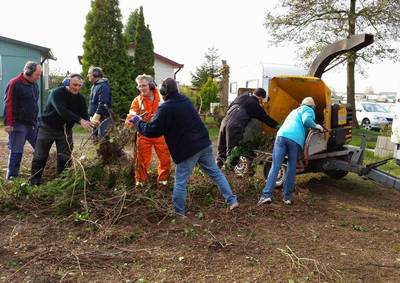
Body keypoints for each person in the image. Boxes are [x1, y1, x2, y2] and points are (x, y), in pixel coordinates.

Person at [129, 78, 238, 216]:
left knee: (180, 181)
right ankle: (232, 201)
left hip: (187, 150)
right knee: (215, 173)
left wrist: (138, 122)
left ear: (164, 92)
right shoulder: (185, 100)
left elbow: (152, 130)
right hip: (204, 144)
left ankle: (179, 212)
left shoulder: (165, 108)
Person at [30, 74, 95, 185]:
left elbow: (84, 115)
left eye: (80, 85)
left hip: (65, 131)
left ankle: (61, 183)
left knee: (65, 158)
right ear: (67, 82)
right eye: (74, 85)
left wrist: (91, 121)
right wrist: (80, 121)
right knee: (40, 156)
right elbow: (62, 111)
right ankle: (34, 182)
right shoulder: (57, 93)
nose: (77, 88)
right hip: (47, 128)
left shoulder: (81, 99)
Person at [257, 97, 324, 206]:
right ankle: (287, 198)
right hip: (295, 141)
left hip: (281, 136)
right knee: (291, 168)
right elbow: (306, 120)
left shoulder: (294, 111)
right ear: (312, 106)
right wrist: (316, 126)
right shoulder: (308, 110)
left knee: (275, 166)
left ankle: (266, 195)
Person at [125, 74, 171, 189]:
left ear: (151, 85)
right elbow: (131, 114)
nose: (141, 88)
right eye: (139, 86)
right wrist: (129, 123)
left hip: (160, 135)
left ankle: (162, 184)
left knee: (165, 160)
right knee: (141, 161)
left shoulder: (161, 98)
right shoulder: (138, 100)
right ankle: (140, 185)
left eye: (144, 85)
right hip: (144, 135)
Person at [216, 88, 278, 168]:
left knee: (221, 152)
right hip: (235, 126)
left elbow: (229, 108)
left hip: (224, 122)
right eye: (262, 100)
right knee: (233, 154)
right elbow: (267, 119)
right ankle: (228, 176)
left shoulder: (241, 97)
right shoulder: (255, 105)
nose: (262, 103)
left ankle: (215, 172)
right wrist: (278, 126)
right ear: (260, 98)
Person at [3, 61, 42, 180]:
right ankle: (11, 178)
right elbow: (8, 104)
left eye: (40, 75)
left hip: (33, 123)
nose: (38, 77)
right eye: (37, 75)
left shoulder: (34, 84)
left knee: (41, 148)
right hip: (18, 124)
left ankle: (40, 173)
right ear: (28, 72)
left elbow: (34, 103)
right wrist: (8, 123)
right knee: (16, 151)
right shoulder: (15, 83)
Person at [87, 66, 112, 137]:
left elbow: (103, 103)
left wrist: (95, 117)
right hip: (95, 118)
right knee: (95, 139)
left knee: (102, 139)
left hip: (102, 118)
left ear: (96, 74)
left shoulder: (103, 86)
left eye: (89, 73)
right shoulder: (95, 86)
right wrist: (92, 117)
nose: (87, 75)